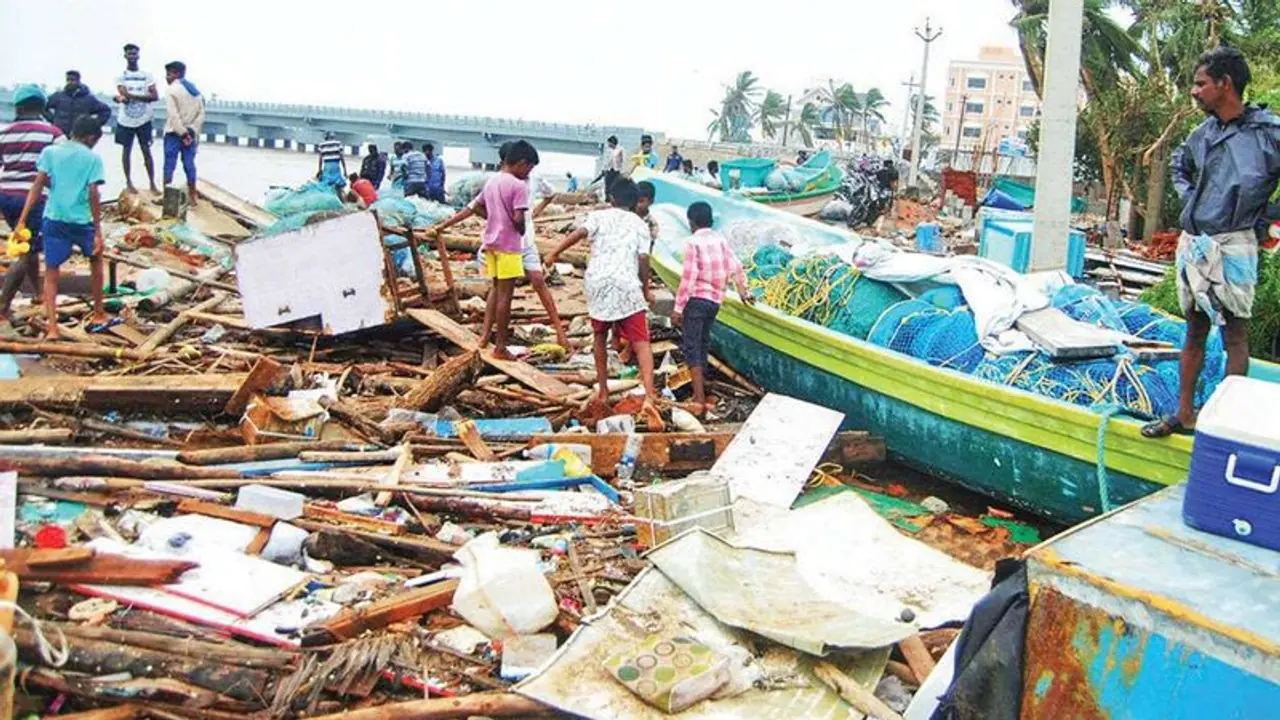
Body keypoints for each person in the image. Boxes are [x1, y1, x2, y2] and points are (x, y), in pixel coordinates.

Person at [1143, 46, 1280, 437]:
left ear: (1225, 84)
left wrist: (1266, 215)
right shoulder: (1202, 134)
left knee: (1235, 333)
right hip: (1196, 242)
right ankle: (1184, 413)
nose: (1195, 91)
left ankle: (1225, 421)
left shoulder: (1267, 134)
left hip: (1235, 242)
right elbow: (1179, 166)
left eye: (1201, 84)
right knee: (1194, 329)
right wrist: (1192, 199)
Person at [546, 179, 658, 409]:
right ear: (635, 201)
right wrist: (645, 289)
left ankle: (604, 391)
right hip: (627, 284)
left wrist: (554, 253)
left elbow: (578, 233)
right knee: (641, 341)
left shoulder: (599, 216)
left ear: (612, 199)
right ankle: (649, 395)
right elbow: (643, 259)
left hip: (598, 282)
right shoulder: (640, 224)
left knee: (599, 337)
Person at [13, 116, 110, 340]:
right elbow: (93, 194)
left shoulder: (50, 152)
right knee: (96, 260)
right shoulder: (92, 159)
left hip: (54, 218)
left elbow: (37, 186)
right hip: (81, 220)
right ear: (90, 138)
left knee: (51, 272)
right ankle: (98, 312)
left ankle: (53, 327)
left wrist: (22, 219)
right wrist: (98, 231)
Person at [673, 201, 754, 416]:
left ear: (691, 223)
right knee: (703, 341)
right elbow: (736, 267)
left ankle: (698, 398)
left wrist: (678, 308)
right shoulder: (720, 240)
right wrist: (744, 292)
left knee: (692, 345)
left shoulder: (692, 243)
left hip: (697, 300)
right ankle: (704, 388)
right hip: (715, 302)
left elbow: (688, 278)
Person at [0, 84, 63, 322]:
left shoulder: (5, 133)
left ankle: (38, 294)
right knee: (27, 251)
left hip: (6, 196)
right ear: (42, 107)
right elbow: (62, 166)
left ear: (19, 107)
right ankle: (3, 306)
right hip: (34, 198)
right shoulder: (53, 134)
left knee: (29, 244)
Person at [476, 140, 538, 358]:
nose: (529, 173)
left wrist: (493, 219)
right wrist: (519, 229)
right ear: (521, 163)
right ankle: (500, 347)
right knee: (506, 297)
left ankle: (484, 337)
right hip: (509, 245)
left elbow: (477, 206)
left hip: (491, 243)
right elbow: (519, 217)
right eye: (529, 168)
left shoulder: (492, 182)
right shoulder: (518, 186)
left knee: (495, 289)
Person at [114, 44, 158, 194]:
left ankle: (152, 183)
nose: (132, 56)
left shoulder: (147, 75)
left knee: (146, 151)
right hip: (125, 120)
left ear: (138, 55)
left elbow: (155, 96)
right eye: (129, 54)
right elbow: (122, 93)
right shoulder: (121, 76)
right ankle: (129, 182)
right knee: (127, 151)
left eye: (134, 54)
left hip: (144, 119)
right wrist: (126, 97)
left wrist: (131, 96)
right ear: (125, 56)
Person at [162, 61, 204, 207]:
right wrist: (191, 132)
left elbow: (173, 115)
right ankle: (192, 196)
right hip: (191, 135)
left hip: (174, 133)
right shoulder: (196, 92)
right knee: (189, 164)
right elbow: (201, 115)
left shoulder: (171, 90)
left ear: (177, 74)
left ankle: (166, 196)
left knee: (169, 164)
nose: (166, 77)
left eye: (169, 74)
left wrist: (182, 133)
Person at [44, 71, 111, 137]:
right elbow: (43, 107)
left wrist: (94, 125)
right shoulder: (58, 96)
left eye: (72, 80)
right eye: (68, 80)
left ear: (78, 81)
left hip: (79, 135)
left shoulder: (88, 99)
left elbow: (106, 110)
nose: (69, 82)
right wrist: (53, 120)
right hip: (60, 134)